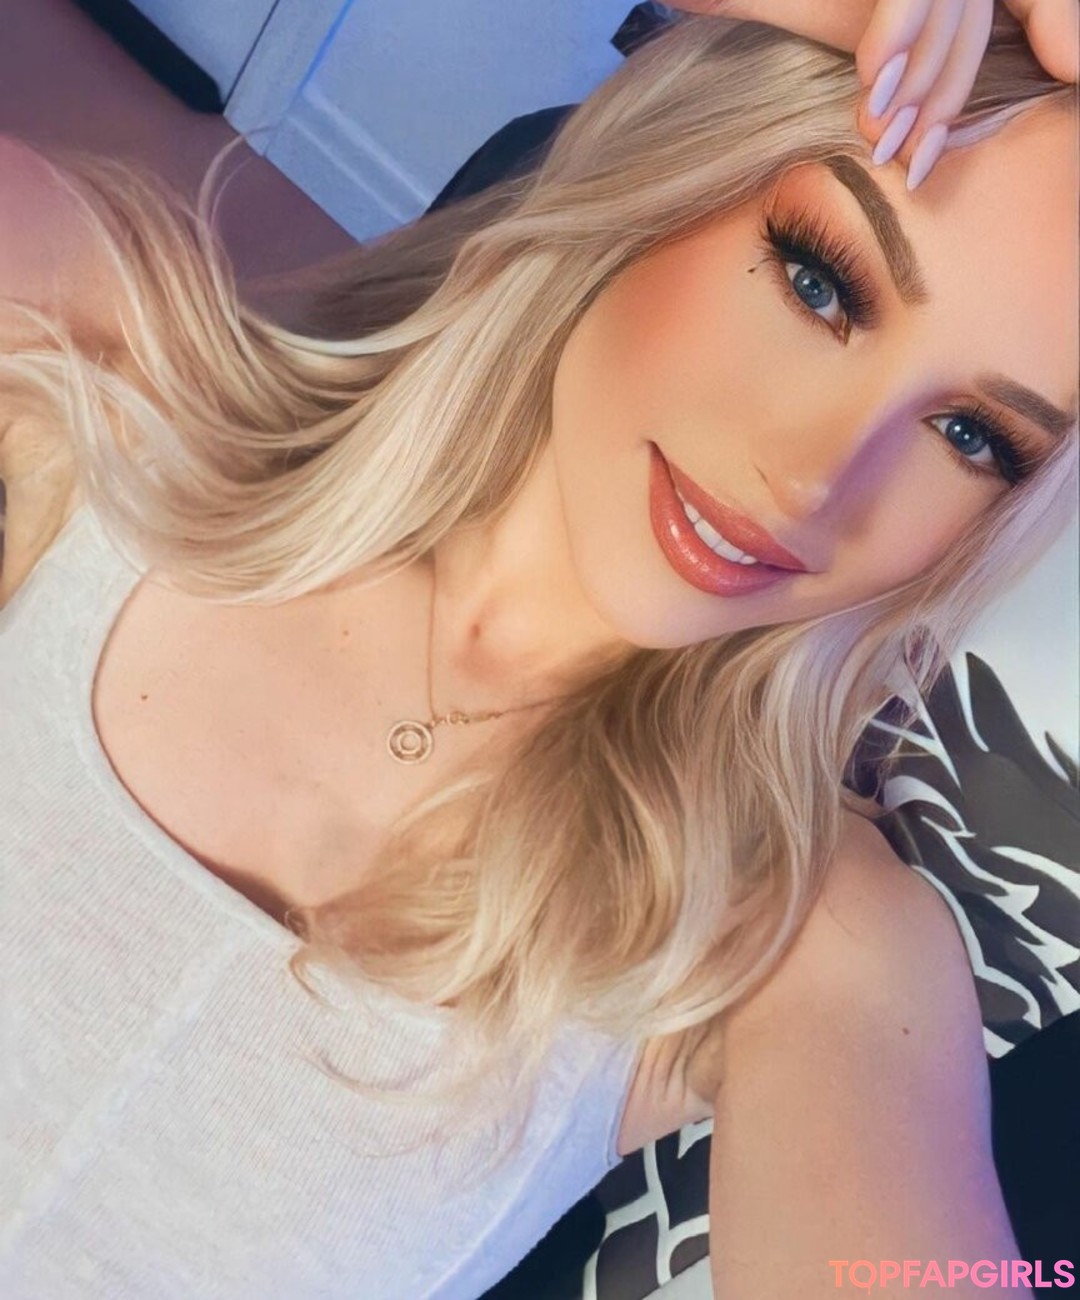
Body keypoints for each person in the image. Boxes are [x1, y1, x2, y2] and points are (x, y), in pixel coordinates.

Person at [1, 2, 1076, 1297]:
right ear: (666, 172)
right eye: (817, 281)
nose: (813, 480)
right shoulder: (103, 366)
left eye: (971, 439)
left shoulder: (801, 935)